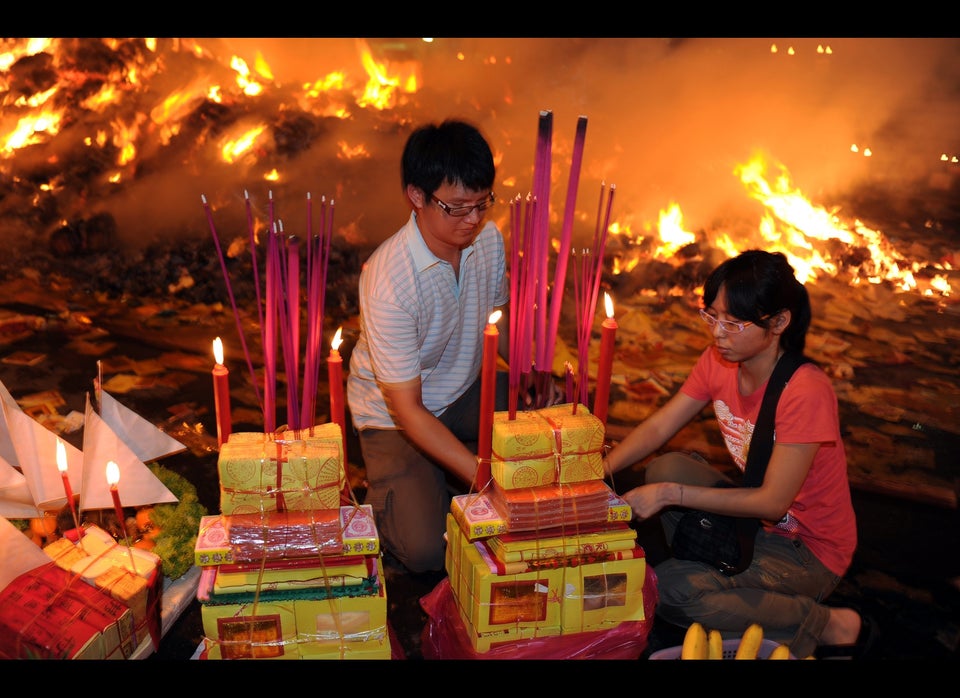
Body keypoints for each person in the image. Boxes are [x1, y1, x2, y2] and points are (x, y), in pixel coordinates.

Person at [603, 249, 874, 659]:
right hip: (759, 527)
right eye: (711, 316)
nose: (718, 333)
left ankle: (826, 623)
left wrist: (668, 494)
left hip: (808, 548)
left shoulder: (805, 391)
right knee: (668, 466)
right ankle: (721, 577)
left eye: (734, 322)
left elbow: (772, 501)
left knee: (670, 590)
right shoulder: (720, 360)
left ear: (779, 322)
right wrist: (598, 469)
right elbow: (661, 426)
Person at [346, 119, 509, 575]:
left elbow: (501, 319)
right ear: (417, 196)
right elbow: (409, 409)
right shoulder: (389, 280)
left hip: (465, 388)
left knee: (554, 423)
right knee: (426, 553)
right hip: (397, 416)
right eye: (456, 208)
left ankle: (446, 467)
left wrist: (534, 378)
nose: (473, 220)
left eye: (482, 204)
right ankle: (402, 489)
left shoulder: (488, 241)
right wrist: (483, 476)